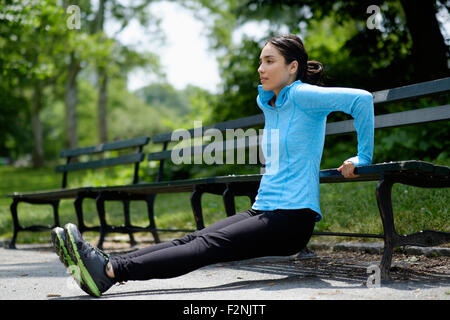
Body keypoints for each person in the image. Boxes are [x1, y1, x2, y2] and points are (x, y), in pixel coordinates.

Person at [51, 34, 374, 297]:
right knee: (191, 240)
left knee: (206, 247)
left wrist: (362, 157)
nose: (260, 68)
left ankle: (108, 271)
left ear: (292, 68)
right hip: (265, 209)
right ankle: (105, 267)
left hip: (291, 218)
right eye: (260, 61)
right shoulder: (274, 104)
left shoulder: (304, 95)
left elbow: (360, 100)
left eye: (269, 61)